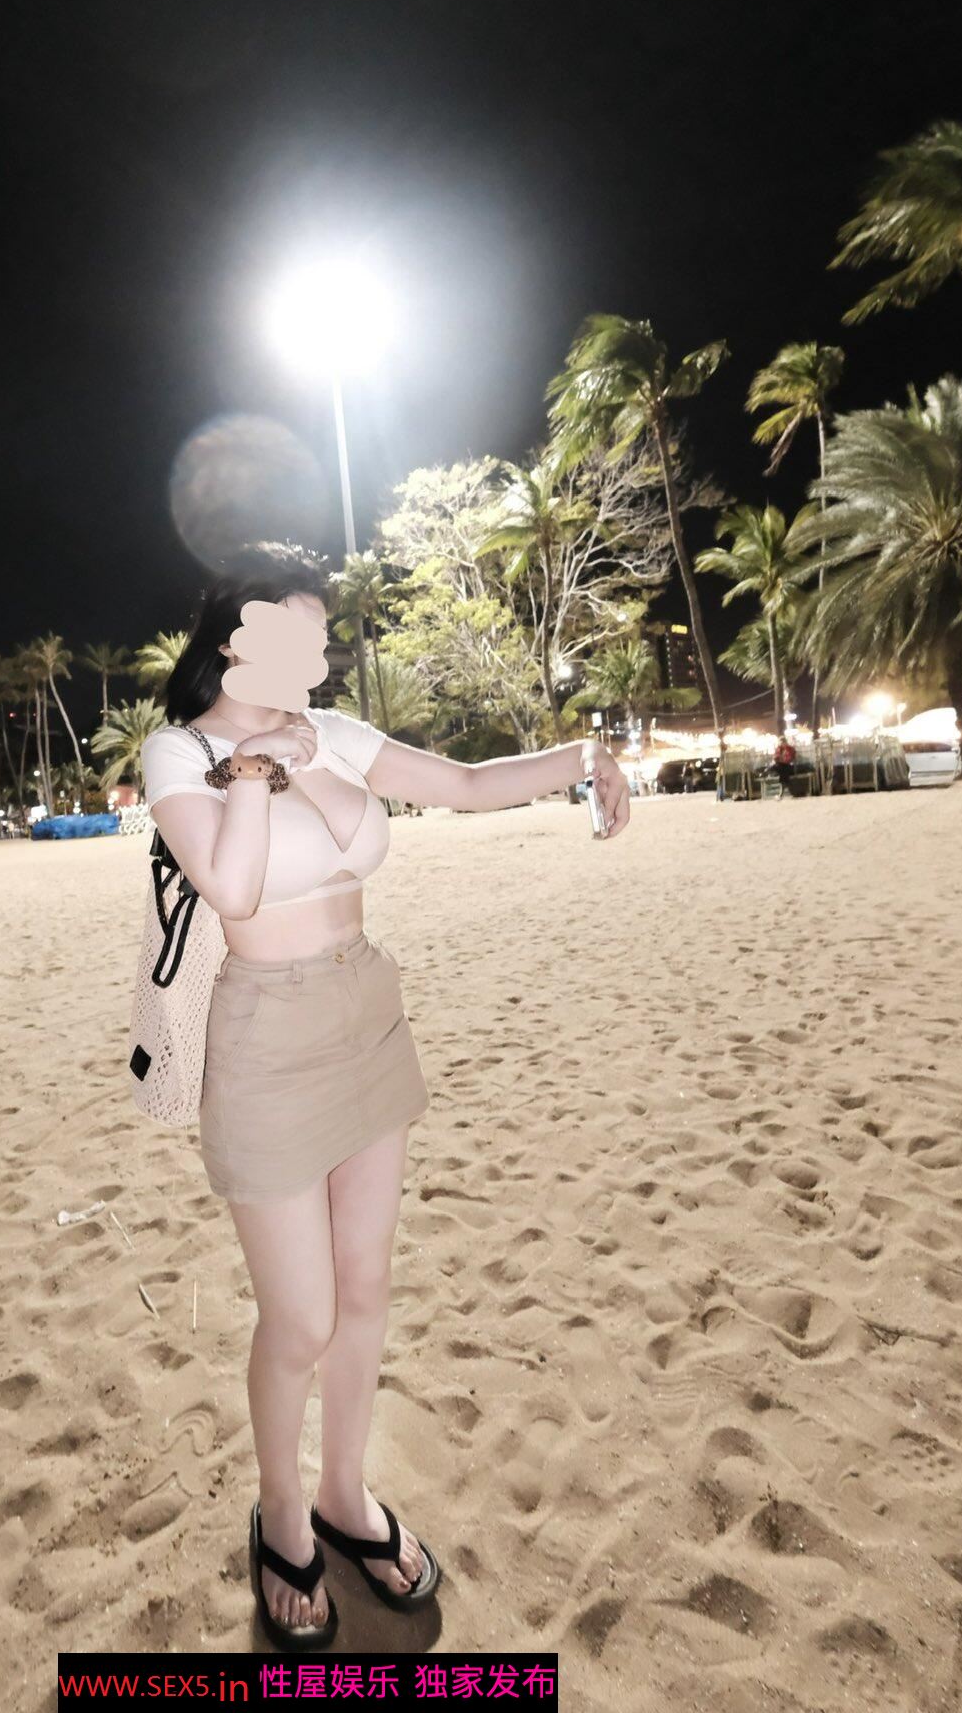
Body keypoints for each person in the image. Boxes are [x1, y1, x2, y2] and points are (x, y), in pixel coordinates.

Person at [141, 541, 631, 1647]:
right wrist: (256, 768)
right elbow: (233, 887)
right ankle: (281, 1513)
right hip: (265, 1035)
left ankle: (343, 1494)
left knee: (363, 1289)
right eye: (299, 637)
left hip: (366, 1009)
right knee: (301, 1315)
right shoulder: (182, 751)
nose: (317, 661)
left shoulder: (336, 731)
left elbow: (465, 784)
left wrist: (583, 754)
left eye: (323, 641)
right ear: (237, 640)